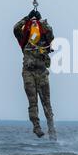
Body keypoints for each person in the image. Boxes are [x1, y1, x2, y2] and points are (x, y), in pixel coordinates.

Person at [13, 9, 57, 141]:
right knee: (33, 102)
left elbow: (51, 34)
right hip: (28, 72)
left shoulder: (44, 36)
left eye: (35, 26)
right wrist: (27, 17)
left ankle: (52, 129)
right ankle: (36, 127)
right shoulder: (25, 38)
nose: (34, 28)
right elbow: (15, 29)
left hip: (42, 72)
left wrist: (41, 22)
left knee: (46, 103)